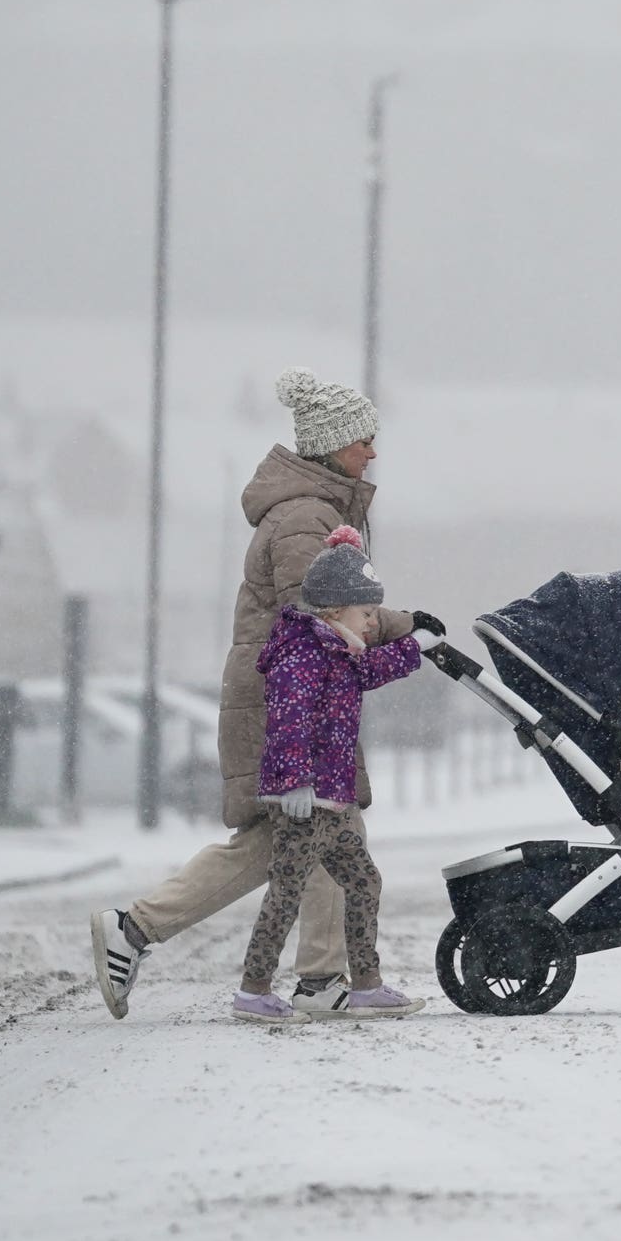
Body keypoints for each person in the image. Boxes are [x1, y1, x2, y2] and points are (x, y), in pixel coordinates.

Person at [91, 370, 431, 1018]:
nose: (373, 452)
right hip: (285, 703)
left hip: (284, 695)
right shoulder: (307, 517)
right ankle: (300, 975)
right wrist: (406, 626)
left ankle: (316, 976)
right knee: (297, 837)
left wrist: (403, 638)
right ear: (332, 445)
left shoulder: (317, 510)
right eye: (364, 439)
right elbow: (325, 611)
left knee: (297, 840)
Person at [232, 530, 426, 1023]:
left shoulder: (339, 653)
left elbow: (373, 668)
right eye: (368, 613)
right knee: (286, 894)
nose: (374, 622)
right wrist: (294, 781)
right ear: (336, 611)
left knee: (364, 883)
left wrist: (416, 645)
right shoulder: (302, 654)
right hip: (305, 803)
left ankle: (366, 985)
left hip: (333, 803)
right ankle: (253, 991)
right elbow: (287, 720)